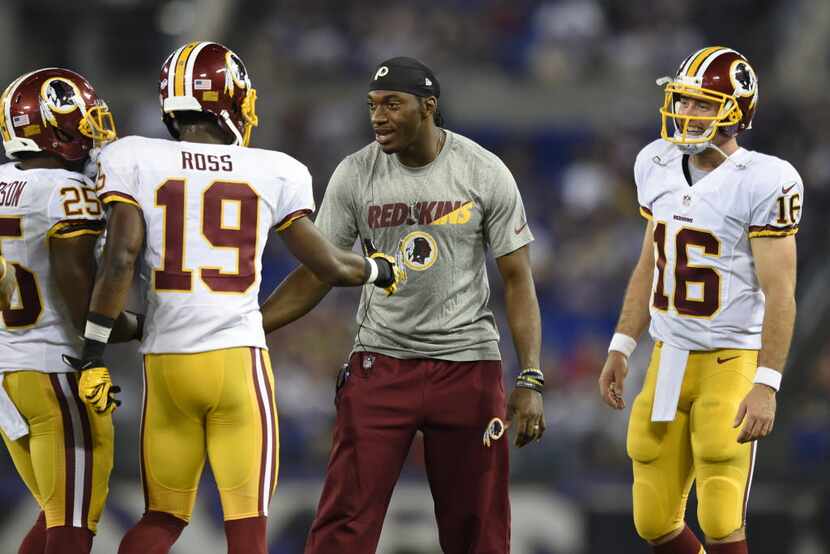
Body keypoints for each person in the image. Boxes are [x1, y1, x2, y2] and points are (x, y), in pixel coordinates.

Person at [63, 41, 403, 554]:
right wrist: (379, 268)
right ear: (228, 98)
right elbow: (329, 265)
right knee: (247, 527)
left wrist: (92, 355)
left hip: (166, 362)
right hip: (236, 363)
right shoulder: (275, 168)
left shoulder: (131, 156)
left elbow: (119, 258)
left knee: (161, 517)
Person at [261, 56, 545, 554]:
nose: (378, 116)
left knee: (477, 529)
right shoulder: (355, 173)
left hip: (468, 366)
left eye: (393, 104)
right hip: (381, 363)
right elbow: (318, 273)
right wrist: (251, 325)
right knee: (343, 522)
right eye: (372, 105)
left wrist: (530, 377)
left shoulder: (483, 170)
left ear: (428, 108)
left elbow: (519, 280)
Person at [598, 46, 802, 554]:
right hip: (668, 358)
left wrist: (768, 383)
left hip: (730, 358)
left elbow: (781, 293)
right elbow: (651, 262)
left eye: (702, 104)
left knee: (719, 510)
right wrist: (622, 345)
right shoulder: (657, 161)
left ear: (736, 113)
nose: (686, 114)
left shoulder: (764, 179)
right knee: (652, 519)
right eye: (683, 101)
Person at [0, 68, 139, 554]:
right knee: (73, 528)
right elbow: (85, 307)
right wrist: (141, 326)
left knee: (55, 519)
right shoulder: (65, 191)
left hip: (7, 382)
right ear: (50, 124)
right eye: (80, 118)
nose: (90, 128)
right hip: (54, 374)